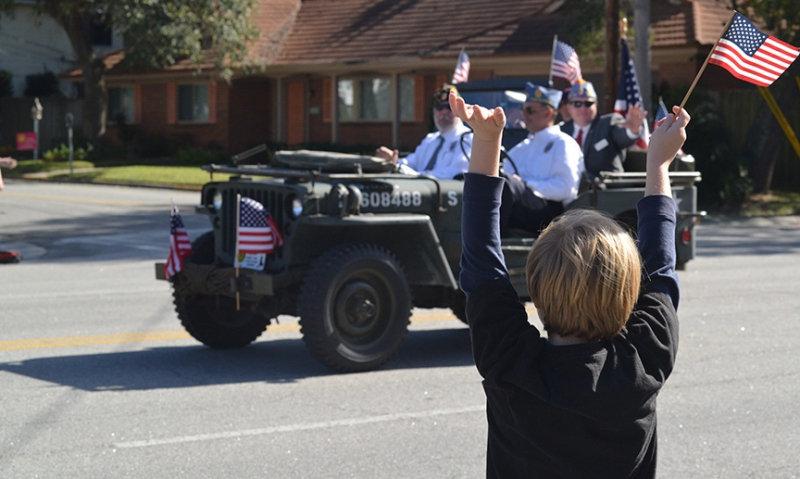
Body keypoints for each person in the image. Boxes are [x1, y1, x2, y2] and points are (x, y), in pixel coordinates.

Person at [450, 87, 688, 478]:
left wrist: (487, 140)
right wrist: (660, 165)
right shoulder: (643, 361)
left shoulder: (511, 363)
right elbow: (661, 268)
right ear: (628, 296)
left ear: (538, 298)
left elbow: (481, 262)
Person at [500, 83, 583, 235]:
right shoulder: (520, 149)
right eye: (523, 110)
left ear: (548, 113)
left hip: (550, 213)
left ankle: (491, 238)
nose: (524, 115)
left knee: (507, 184)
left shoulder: (563, 143)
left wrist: (525, 184)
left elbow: (566, 189)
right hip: (520, 208)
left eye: (530, 110)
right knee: (494, 180)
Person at [375, 84, 471, 179]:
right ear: (434, 111)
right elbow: (411, 163)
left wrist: (417, 176)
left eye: (449, 107)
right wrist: (392, 162)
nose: (444, 112)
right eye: (439, 107)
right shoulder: (430, 140)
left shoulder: (468, 139)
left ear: (459, 110)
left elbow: (457, 173)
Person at [560, 80, 647, 179]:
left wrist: (633, 130)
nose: (583, 108)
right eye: (577, 104)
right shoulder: (561, 131)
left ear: (596, 105)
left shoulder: (608, 123)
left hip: (605, 190)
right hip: (568, 190)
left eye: (588, 103)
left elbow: (622, 136)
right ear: (568, 107)